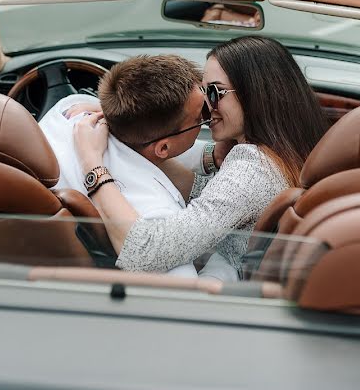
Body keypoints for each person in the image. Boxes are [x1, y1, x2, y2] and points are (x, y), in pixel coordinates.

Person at [74, 36, 330, 281]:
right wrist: (132, 123)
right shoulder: (277, 153)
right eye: (205, 91)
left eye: (216, 93)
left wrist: (92, 165)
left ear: (256, 94)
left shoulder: (253, 170)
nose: (207, 104)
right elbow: (206, 196)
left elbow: (145, 252)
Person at [40, 54, 229, 279]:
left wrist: (212, 156)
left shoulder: (69, 109)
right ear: (163, 149)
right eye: (203, 115)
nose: (212, 111)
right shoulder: (155, 211)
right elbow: (187, 292)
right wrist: (230, 258)